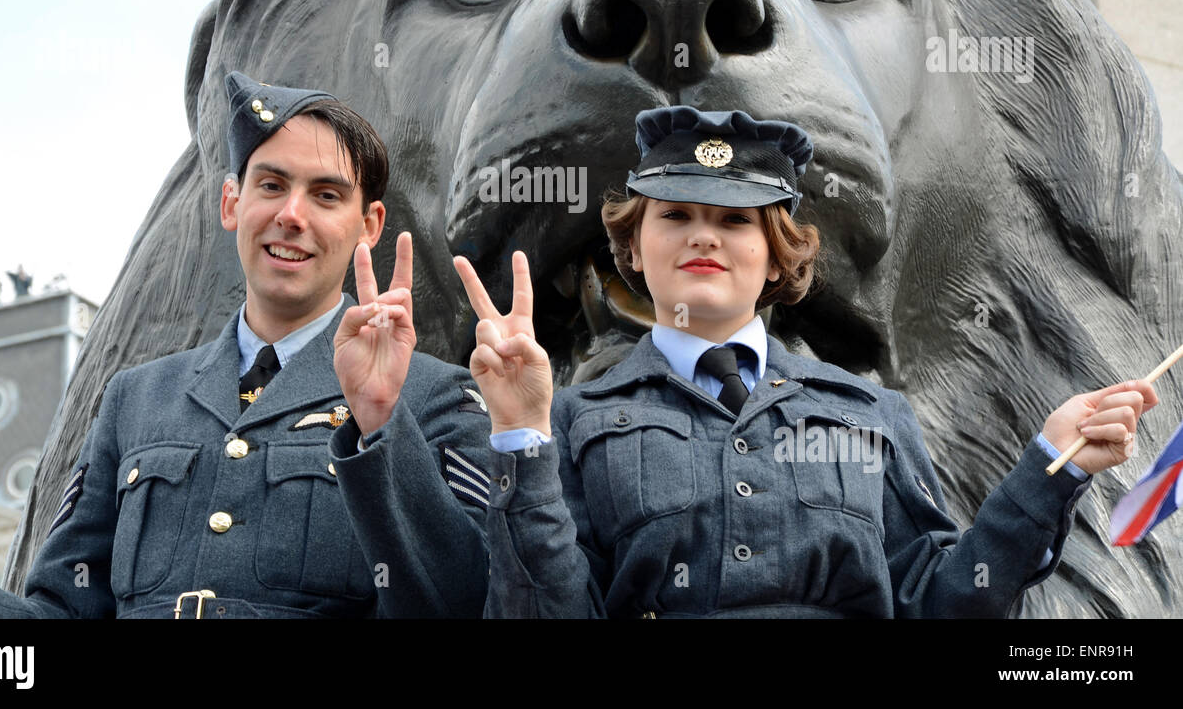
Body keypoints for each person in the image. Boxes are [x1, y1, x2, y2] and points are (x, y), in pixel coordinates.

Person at [453, 105, 1156, 618]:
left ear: (776, 255)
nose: (705, 235)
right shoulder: (572, 421)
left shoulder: (871, 414)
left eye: (735, 220)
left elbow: (948, 606)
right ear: (634, 246)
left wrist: (1048, 468)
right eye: (676, 214)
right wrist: (520, 432)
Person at [0, 71, 491, 619]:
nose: (293, 215)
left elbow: (468, 603)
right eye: (272, 185)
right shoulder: (136, 400)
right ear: (233, 203)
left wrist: (382, 424)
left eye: (327, 195)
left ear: (370, 225)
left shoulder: (434, 398)